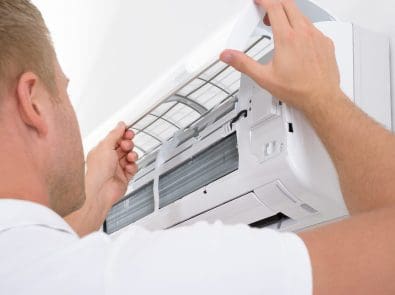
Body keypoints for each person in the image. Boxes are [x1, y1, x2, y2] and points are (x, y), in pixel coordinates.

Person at [0, 0, 394, 294]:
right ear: (33, 102)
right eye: (64, 92)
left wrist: (93, 209)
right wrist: (323, 97)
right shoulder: (144, 276)